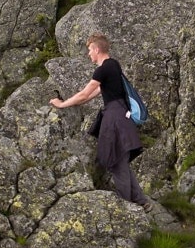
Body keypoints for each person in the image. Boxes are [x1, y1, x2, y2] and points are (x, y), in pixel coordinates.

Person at [50, 34, 157, 207]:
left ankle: (128, 205)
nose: (88, 54)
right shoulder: (113, 65)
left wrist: (62, 105)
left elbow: (84, 93)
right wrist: (72, 102)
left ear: (97, 49)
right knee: (120, 159)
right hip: (121, 116)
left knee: (116, 160)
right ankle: (141, 200)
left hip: (115, 118)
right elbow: (90, 96)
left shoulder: (103, 69)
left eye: (89, 50)